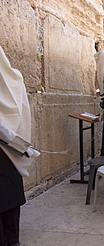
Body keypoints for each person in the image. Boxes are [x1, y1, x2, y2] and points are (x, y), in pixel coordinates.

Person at [0, 46, 39, 246]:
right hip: (12, 150)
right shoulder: (13, 78)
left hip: (5, 147)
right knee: (10, 200)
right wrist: (22, 144)